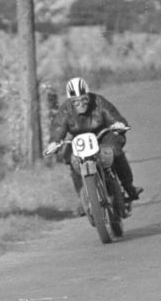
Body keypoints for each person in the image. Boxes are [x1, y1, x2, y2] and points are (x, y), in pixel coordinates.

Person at [45, 77, 143, 211]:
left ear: (89, 96)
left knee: (114, 150)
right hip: (79, 140)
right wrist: (54, 142)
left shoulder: (99, 101)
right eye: (75, 101)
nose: (81, 104)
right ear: (70, 101)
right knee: (71, 159)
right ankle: (84, 198)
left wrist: (118, 124)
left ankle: (128, 187)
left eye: (84, 99)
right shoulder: (65, 109)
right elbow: (58, 127)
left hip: (102, 135)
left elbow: (112, 115)